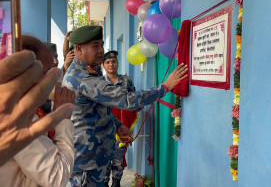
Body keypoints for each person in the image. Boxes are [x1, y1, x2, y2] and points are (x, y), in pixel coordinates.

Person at [62, 25, 188, 186]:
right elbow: (127, 100)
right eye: (95, 46)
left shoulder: (87, 71)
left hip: (95, 155)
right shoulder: (83, 78)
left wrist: (118, 125)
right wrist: (164, 87)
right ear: (78, 49)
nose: (101, 50)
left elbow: (97, 108)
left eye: (101, 44)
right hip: (87, 161)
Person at [0, 35, 76, 187]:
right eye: (48, 71)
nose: (53, 79)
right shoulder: (16, 116)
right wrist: (64, 119)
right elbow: (56, 176)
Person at [102, 50, 136, 187]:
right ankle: (104, 183)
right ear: (103, 65)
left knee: (119, 157)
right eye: (108, 62)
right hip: (103, 127)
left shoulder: (126, 81)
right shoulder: (99, 82)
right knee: (104, 160)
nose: (111, 64)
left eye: (114, 61)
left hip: (122, 126)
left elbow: (134, 100)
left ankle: (116, 182)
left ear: (117, 63)